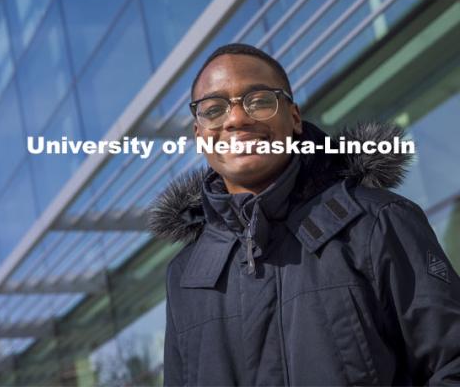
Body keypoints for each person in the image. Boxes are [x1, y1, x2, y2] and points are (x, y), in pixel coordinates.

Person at [149, 43, 460, 386]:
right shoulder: (186, 275)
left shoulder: (376, 221)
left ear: (294, 118)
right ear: (199, 134)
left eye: (260, 101)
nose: (236, 118)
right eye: (213, 109)